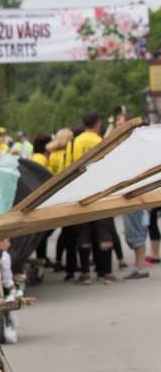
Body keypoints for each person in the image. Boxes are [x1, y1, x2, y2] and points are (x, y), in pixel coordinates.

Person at [71, 110, 115, 284]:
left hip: (82, 190)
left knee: (84, 232)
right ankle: (107, 273)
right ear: (98, 125)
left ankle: (85, 274)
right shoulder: (100, 141)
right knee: (104, 230)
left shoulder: (75, 141)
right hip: (101, 190)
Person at [122, 210, 150, 279]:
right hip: (132, 205)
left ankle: (142, 270)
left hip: (134, 204)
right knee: (134, 235)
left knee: (136, 235)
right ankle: (140, 268)